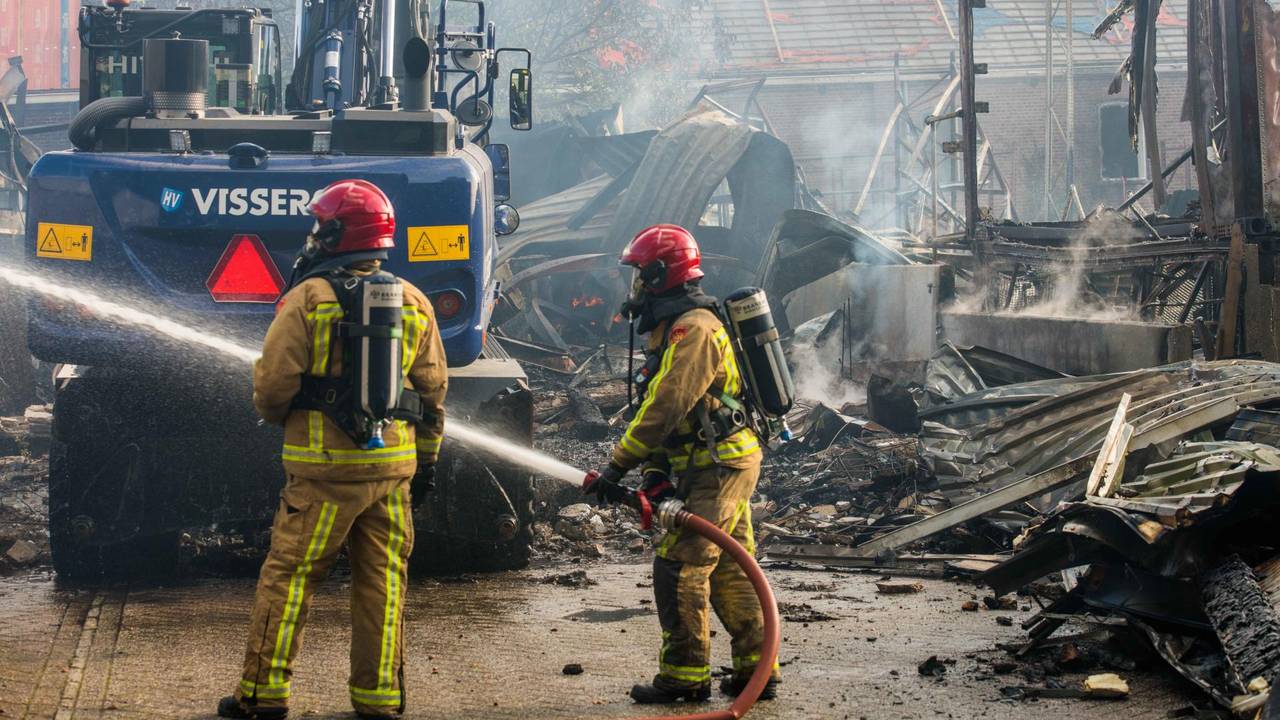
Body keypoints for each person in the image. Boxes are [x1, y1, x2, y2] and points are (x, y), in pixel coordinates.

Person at [218, 179, 447, 720]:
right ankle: (379, 699)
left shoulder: (305, 300)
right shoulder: (412, 302)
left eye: (321, 225)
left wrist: (281, 419)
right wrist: (428, 458)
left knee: (291, 578)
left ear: (336, 233)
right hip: (392, 472)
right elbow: (433, 391)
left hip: (323, 475)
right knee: (384, 583)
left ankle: (263, 695)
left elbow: (273, 387)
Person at [586, 224, 781, 704]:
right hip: (712, 463)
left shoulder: (694, 329)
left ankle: (684, 678)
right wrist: (653, 472)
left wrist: (617, 466)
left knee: (679, 565)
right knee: (732, 567)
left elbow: (668, 405)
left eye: (638, 273)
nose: (632, 286)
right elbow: (655, 403)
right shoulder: (672, 328)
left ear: (658, 272)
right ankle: (758, 669)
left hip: (718, 466)